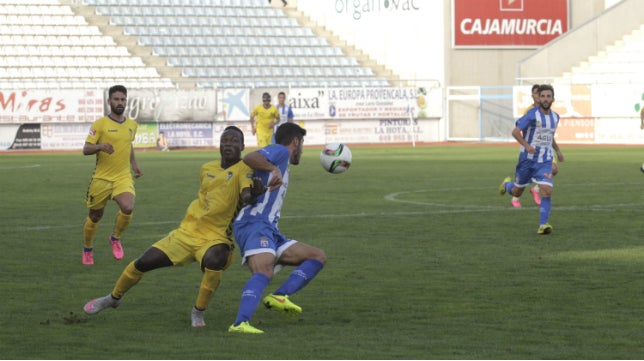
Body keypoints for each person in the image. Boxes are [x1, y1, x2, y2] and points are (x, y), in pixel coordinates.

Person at [83, 126, 266, 328]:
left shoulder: (244, 169)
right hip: (186, 232)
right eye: (225, 140)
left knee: (217, 259)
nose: (229, 144)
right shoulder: (207, 168)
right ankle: (113, 298)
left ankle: (198, 312)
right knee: (142, 263)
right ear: (220, 144)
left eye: (234, 141)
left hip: (216, 237)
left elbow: (245, 196)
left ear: (242, 146)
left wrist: (254, 194)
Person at [228, 122, 326, 334]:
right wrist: (273, 169)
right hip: (254, 223)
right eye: (302, 144)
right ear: (295, 141)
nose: (302, 149)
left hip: (270, 229)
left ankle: (280, 295)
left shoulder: (282, 161)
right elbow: (250, 157)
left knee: (317, 256)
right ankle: (240, 324)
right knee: (264, 271)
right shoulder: (280, 152)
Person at [82, 85, 142, 265]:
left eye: (123, 99)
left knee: (128, 207)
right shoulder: (99, 124)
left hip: (122, 177)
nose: (120, 103)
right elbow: (86, 149)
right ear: (109, 101)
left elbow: (128, 144)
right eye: (116, 99)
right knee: (95, 216)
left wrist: (134, 164)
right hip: (101, 179)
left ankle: (115, 238)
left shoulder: (132, 125)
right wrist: (100, 146)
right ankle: (87, 248)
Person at [498, 84, 564, 234]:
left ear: (553, 99)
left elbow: (550, 136)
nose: (546, 99)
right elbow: (515, 132)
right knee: (517, 191)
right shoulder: (532, 115)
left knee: (547, 191)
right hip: (527, 160)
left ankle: (543, 225)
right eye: (543, 96)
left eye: (548, 96)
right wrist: (527, 146)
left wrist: (558, 151)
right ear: (539, 98)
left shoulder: (555, 117)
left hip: (545, 160)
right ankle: (507, 185)